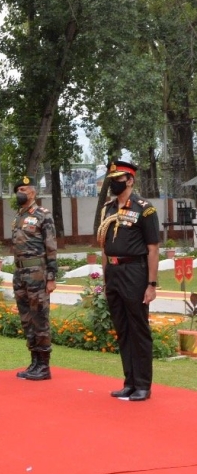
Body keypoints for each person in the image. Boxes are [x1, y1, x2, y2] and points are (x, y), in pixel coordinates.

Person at [97, 160, 159, 402]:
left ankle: (143, 385)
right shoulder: (108, 208)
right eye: (111, 178)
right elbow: (103, 245)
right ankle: (129, 382)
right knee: (122, 330)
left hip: (135, 272)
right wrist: (105, 278)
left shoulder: (145, 208)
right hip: (113, 273)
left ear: (130, 180)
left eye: (118, 178)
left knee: (138, 330)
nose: (113, 182)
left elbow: (153, 249)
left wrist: (151, 285)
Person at [11, 175, 58, 381]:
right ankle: (34, 361)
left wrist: (51, 277)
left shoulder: (43, 215)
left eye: (24, 188)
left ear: (33, 192)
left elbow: (51, 247)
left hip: (37, 274)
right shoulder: (18, 216)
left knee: (40, 318)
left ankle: (44, 365)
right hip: (20, 274)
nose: (20, 192)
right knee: (27, 319)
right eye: (18, 189)